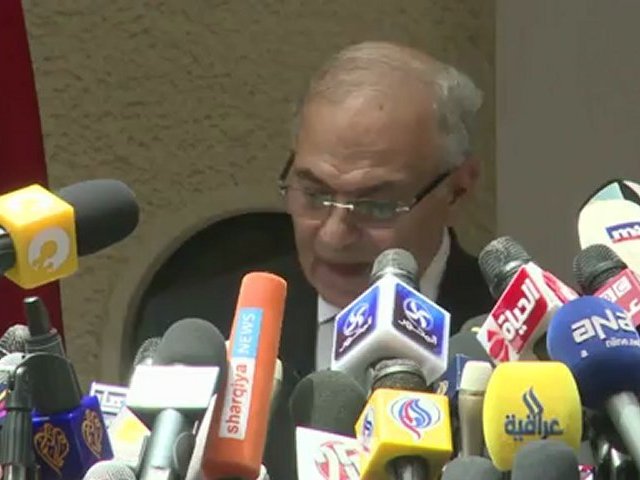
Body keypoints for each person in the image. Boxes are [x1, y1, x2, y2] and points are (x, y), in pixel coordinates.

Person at [136, 41, 494, 480]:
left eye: (376, 205)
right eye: (314, 194)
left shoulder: (523, 341)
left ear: (458, 188)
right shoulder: (194, 329)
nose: (333, 234)